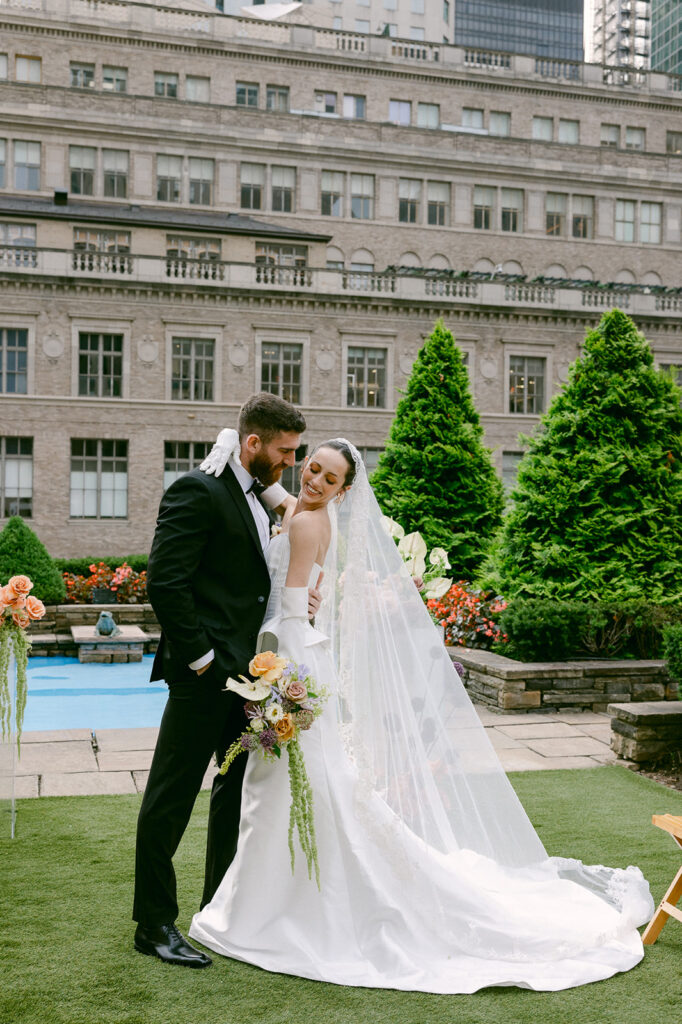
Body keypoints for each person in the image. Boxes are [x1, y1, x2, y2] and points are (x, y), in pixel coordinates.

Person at [189, 437, 654, 993]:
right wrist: (226, 445)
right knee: (300, 789)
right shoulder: (303, 511)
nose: (312, 480)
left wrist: (270, 679)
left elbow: (286, 607)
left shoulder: (309, 522)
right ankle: (271, 901)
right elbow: (272, 492)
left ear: (343, 490)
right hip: (304, 656)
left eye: (328, 478)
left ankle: (273, 913)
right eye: (310, 467)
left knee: (285, 791)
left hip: (290, 660)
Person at [133, 392, 320, 968]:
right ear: (253, 443)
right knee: (171, 796)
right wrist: (204, 663)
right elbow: (165, 582)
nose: (289, 463)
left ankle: (216, 911)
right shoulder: (199, 489)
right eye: (284, 453)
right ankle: (154, 924)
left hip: (250, 680)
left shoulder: (259, 497)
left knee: (234, 794)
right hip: (203, 678)